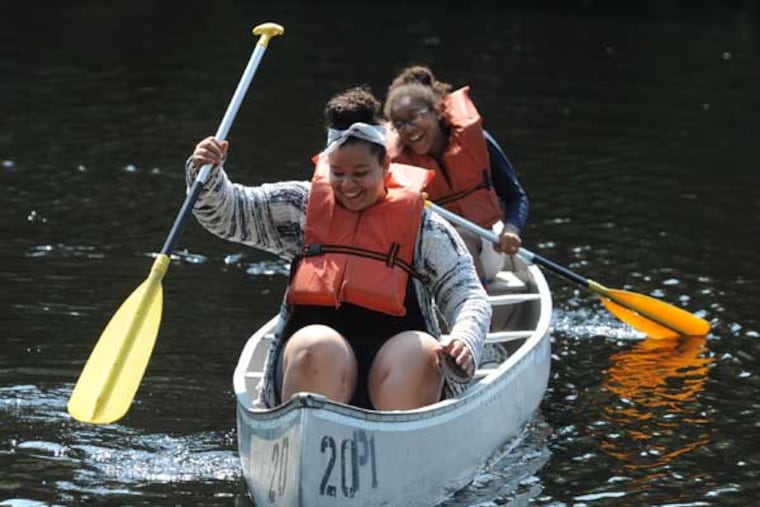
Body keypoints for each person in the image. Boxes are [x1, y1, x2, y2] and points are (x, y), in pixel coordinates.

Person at [186, 86, 491, 411]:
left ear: (386, 167)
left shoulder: (424, 227)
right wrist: (207, 173)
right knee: (317, 344)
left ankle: (397, 446)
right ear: (325, 164)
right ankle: (305, 440)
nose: (348, 185)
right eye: (338, 172)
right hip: (315, 372)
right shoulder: (299, 206)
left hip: (396, 373)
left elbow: (469, 295)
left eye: (361, 173)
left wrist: (464, 339)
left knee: (422, 352)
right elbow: (227, 214)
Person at [383, 65, 530, 285]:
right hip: (430, 257)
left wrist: (511, 229)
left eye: (413, 118)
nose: (408, 130)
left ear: (436, 111)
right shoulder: (394, 163)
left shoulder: (475, 141)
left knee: (460, 237)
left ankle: (477, 308)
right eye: (400, 124)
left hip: (484, 246)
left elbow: (515, 196)